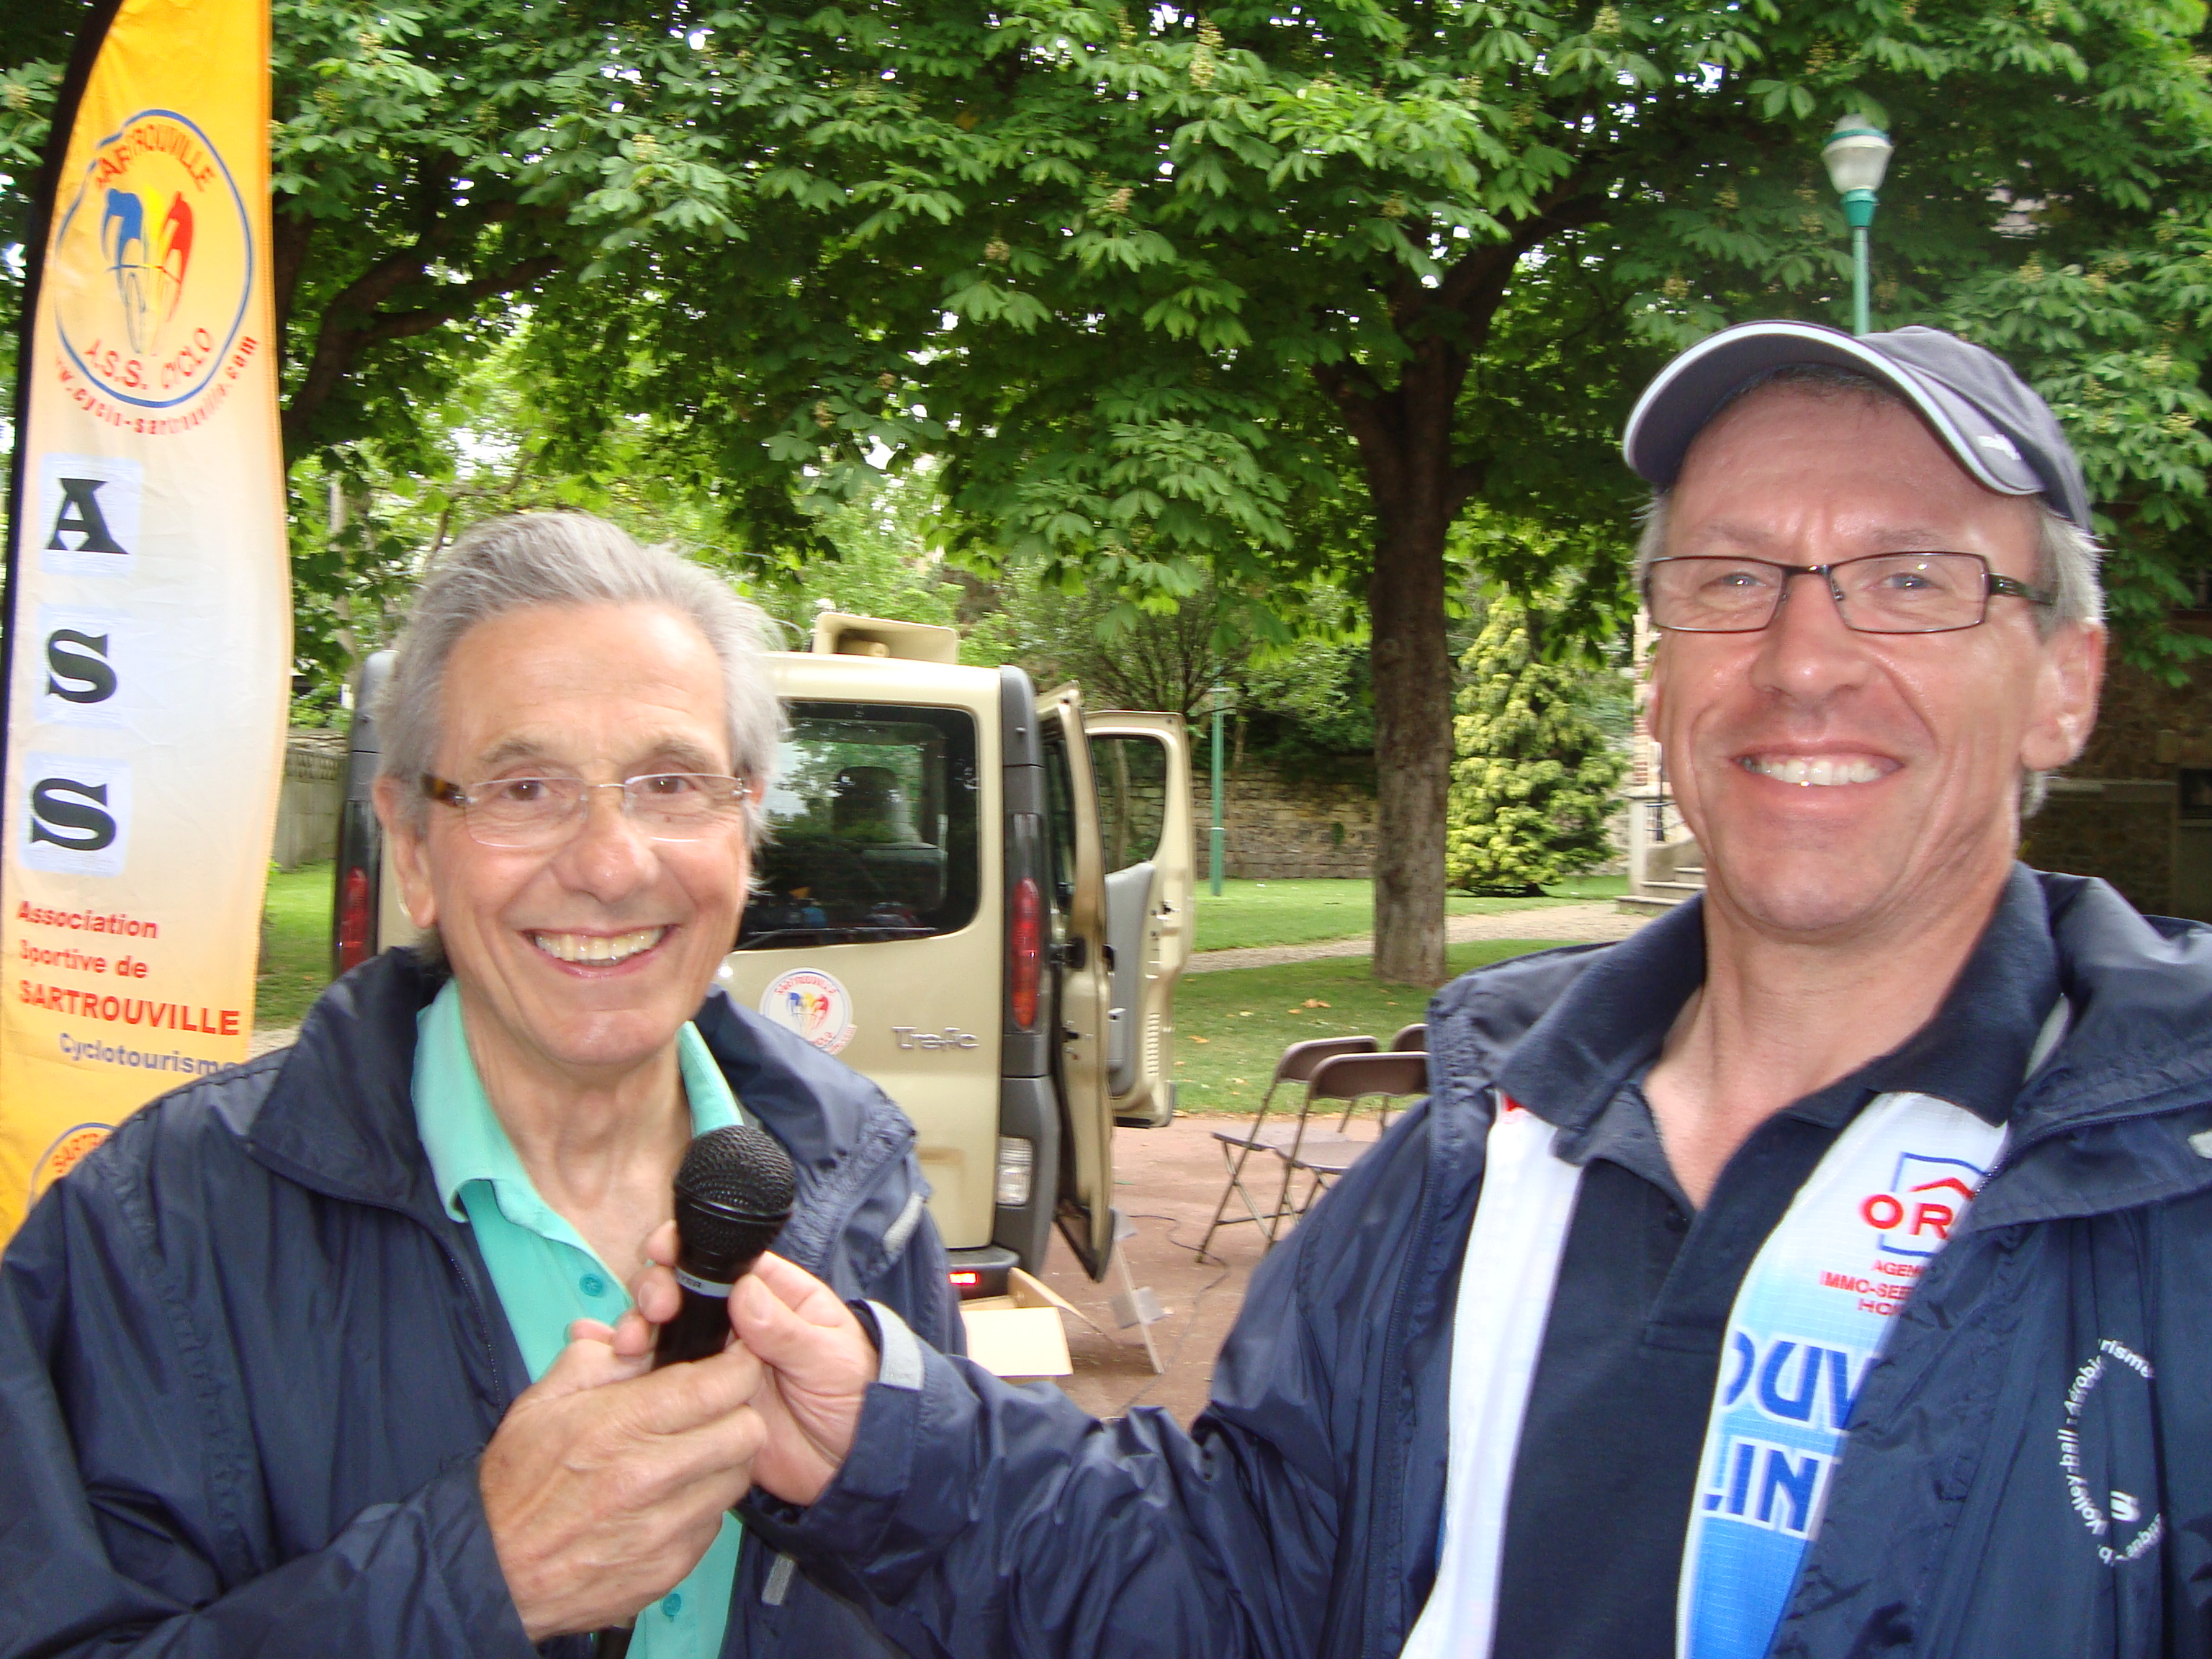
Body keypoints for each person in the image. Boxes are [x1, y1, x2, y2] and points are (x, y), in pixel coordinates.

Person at [670, 324, 2212, 1659]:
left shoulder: (2166, 1186)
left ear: (2065, 682)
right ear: (1659, 680)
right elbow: (1244, 1584)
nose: (1805, 660)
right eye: (1733, 580)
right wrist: (887, 1434)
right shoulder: (1485, 1151)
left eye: (1912, 579)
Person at [0, 512, 962, 1657]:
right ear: (412, 848)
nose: (609, 865)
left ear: (746, 828)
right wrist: (473, 1581)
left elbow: (964, 1596)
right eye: (524, 790)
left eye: (669, 783)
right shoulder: (152, 1227)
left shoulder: (863, 1185)